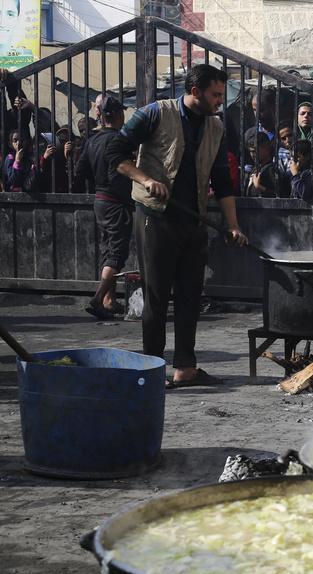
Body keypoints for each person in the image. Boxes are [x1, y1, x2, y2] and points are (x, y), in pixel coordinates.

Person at [108, 64, 249, 388]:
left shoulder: (216, 127)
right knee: (157, 298)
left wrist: (233, 225)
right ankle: (152, 370)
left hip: (193, 219)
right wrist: (146, 179)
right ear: (195, 91)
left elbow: (222, 181)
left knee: (189, 296)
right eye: (215, 94)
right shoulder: (156, 113)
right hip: (156, 217)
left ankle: (185, 367)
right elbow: (115, 153)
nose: (219, 101)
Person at [76, 94, 132, 319]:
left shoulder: (92, 141)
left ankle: (109, 300)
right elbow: (121, 172)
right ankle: (99, 298)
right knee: (116, 252)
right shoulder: (119, 140)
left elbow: (81, 172)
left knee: (107, 249)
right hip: (115, 202)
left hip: (100, 200)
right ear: (118, 116)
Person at [244, 129, 289, 198]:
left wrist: (259, 187)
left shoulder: (272, 170)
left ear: (267, 148)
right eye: (251, 151)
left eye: (255, 150)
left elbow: (280, 197)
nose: (253, 154)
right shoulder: (255, 169)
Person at [289, 139, 313, 204]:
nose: (294, 160)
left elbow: (305, 194)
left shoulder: (309, 173)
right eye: (292, 157)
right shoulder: (296, 172)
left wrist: (295, 174)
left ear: (307, 156)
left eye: (298, 157)